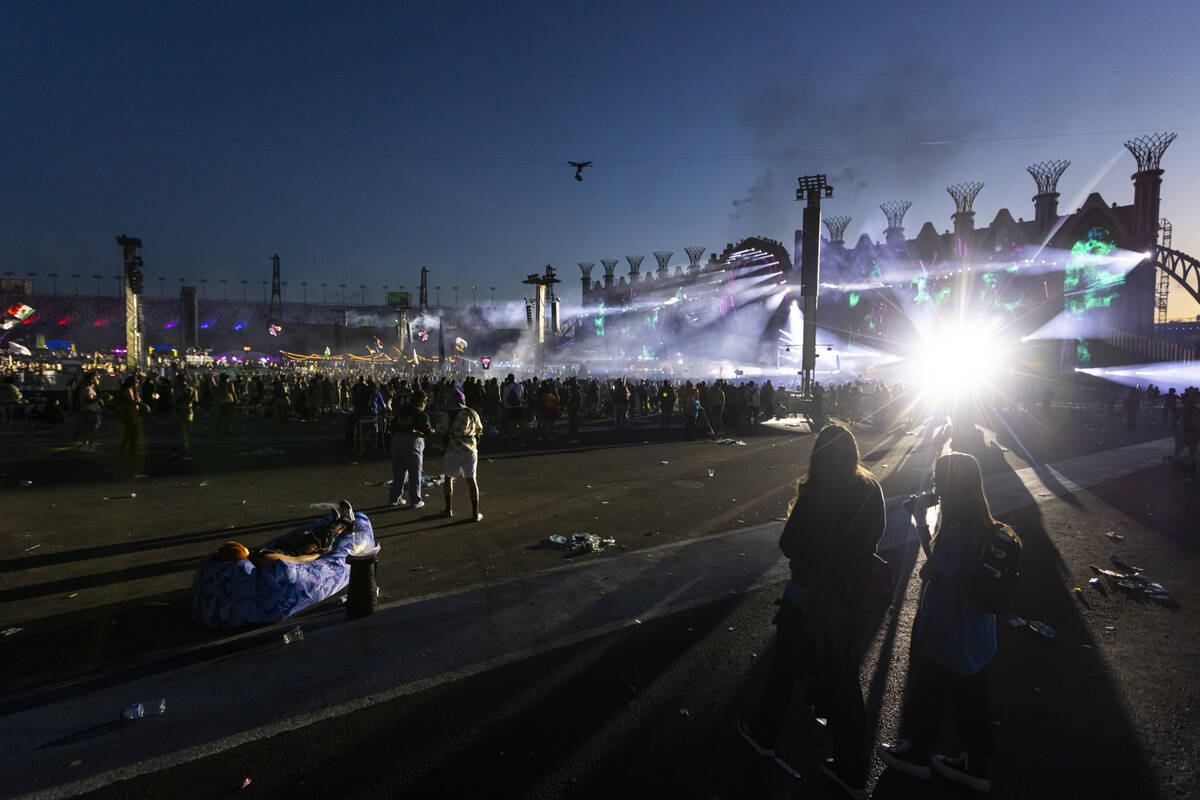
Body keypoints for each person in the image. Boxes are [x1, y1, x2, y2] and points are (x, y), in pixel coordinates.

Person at [739, 424, 885, 799]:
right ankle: (852, 769)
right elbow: (875, 535)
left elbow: (789, 543)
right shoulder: (871, 488)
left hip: (807, 596)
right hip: (851, 598)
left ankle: (764, 735)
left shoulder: (816, 492)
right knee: (844, 679)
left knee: (783, 670)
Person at [878, 451, 1015, 793]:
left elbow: (931, 569)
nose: (935, 484)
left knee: (929, 694)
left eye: (939, 479)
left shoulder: (958, 532)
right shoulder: (987, 526)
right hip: (979, 636)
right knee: (972, 701)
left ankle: (917, 757)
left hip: (949, 634)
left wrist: (920, 522)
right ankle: (976, 764)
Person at [442, 389, 484, 522]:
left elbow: (441, 429)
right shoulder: (472, 413)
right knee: (472, 480)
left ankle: (448, 509)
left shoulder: (449, 414)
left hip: (453, 449)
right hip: (470, 450)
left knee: (448, 478)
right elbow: (480, 429)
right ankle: (475, 513)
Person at [389, 390, 433, 508]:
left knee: (399, 472)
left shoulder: (401, 410)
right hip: (412, 442)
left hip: (397, 440)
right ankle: (416, 500)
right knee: (415, 473)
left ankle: (395, 498)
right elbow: (428, 431)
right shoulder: (421, 415)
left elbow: (392, 427)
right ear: (422, 402)